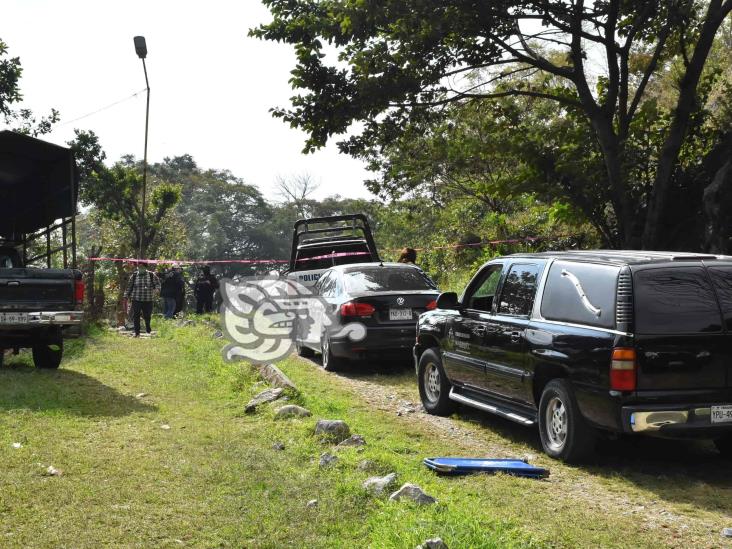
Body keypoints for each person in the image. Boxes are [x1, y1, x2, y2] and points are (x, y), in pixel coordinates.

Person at [124, 261, 161, 337]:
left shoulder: (151, 275)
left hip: (148, 299)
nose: (140, 268)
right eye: (139, 267)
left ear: (145, 267)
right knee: (136, 315)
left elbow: (158, 284)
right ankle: (137, 333)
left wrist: (157, 289)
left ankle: (148, 329)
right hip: (136, 299)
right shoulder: (134, 276)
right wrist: (126, 296)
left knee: (147, 315)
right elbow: (129, 287)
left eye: (142, 267)